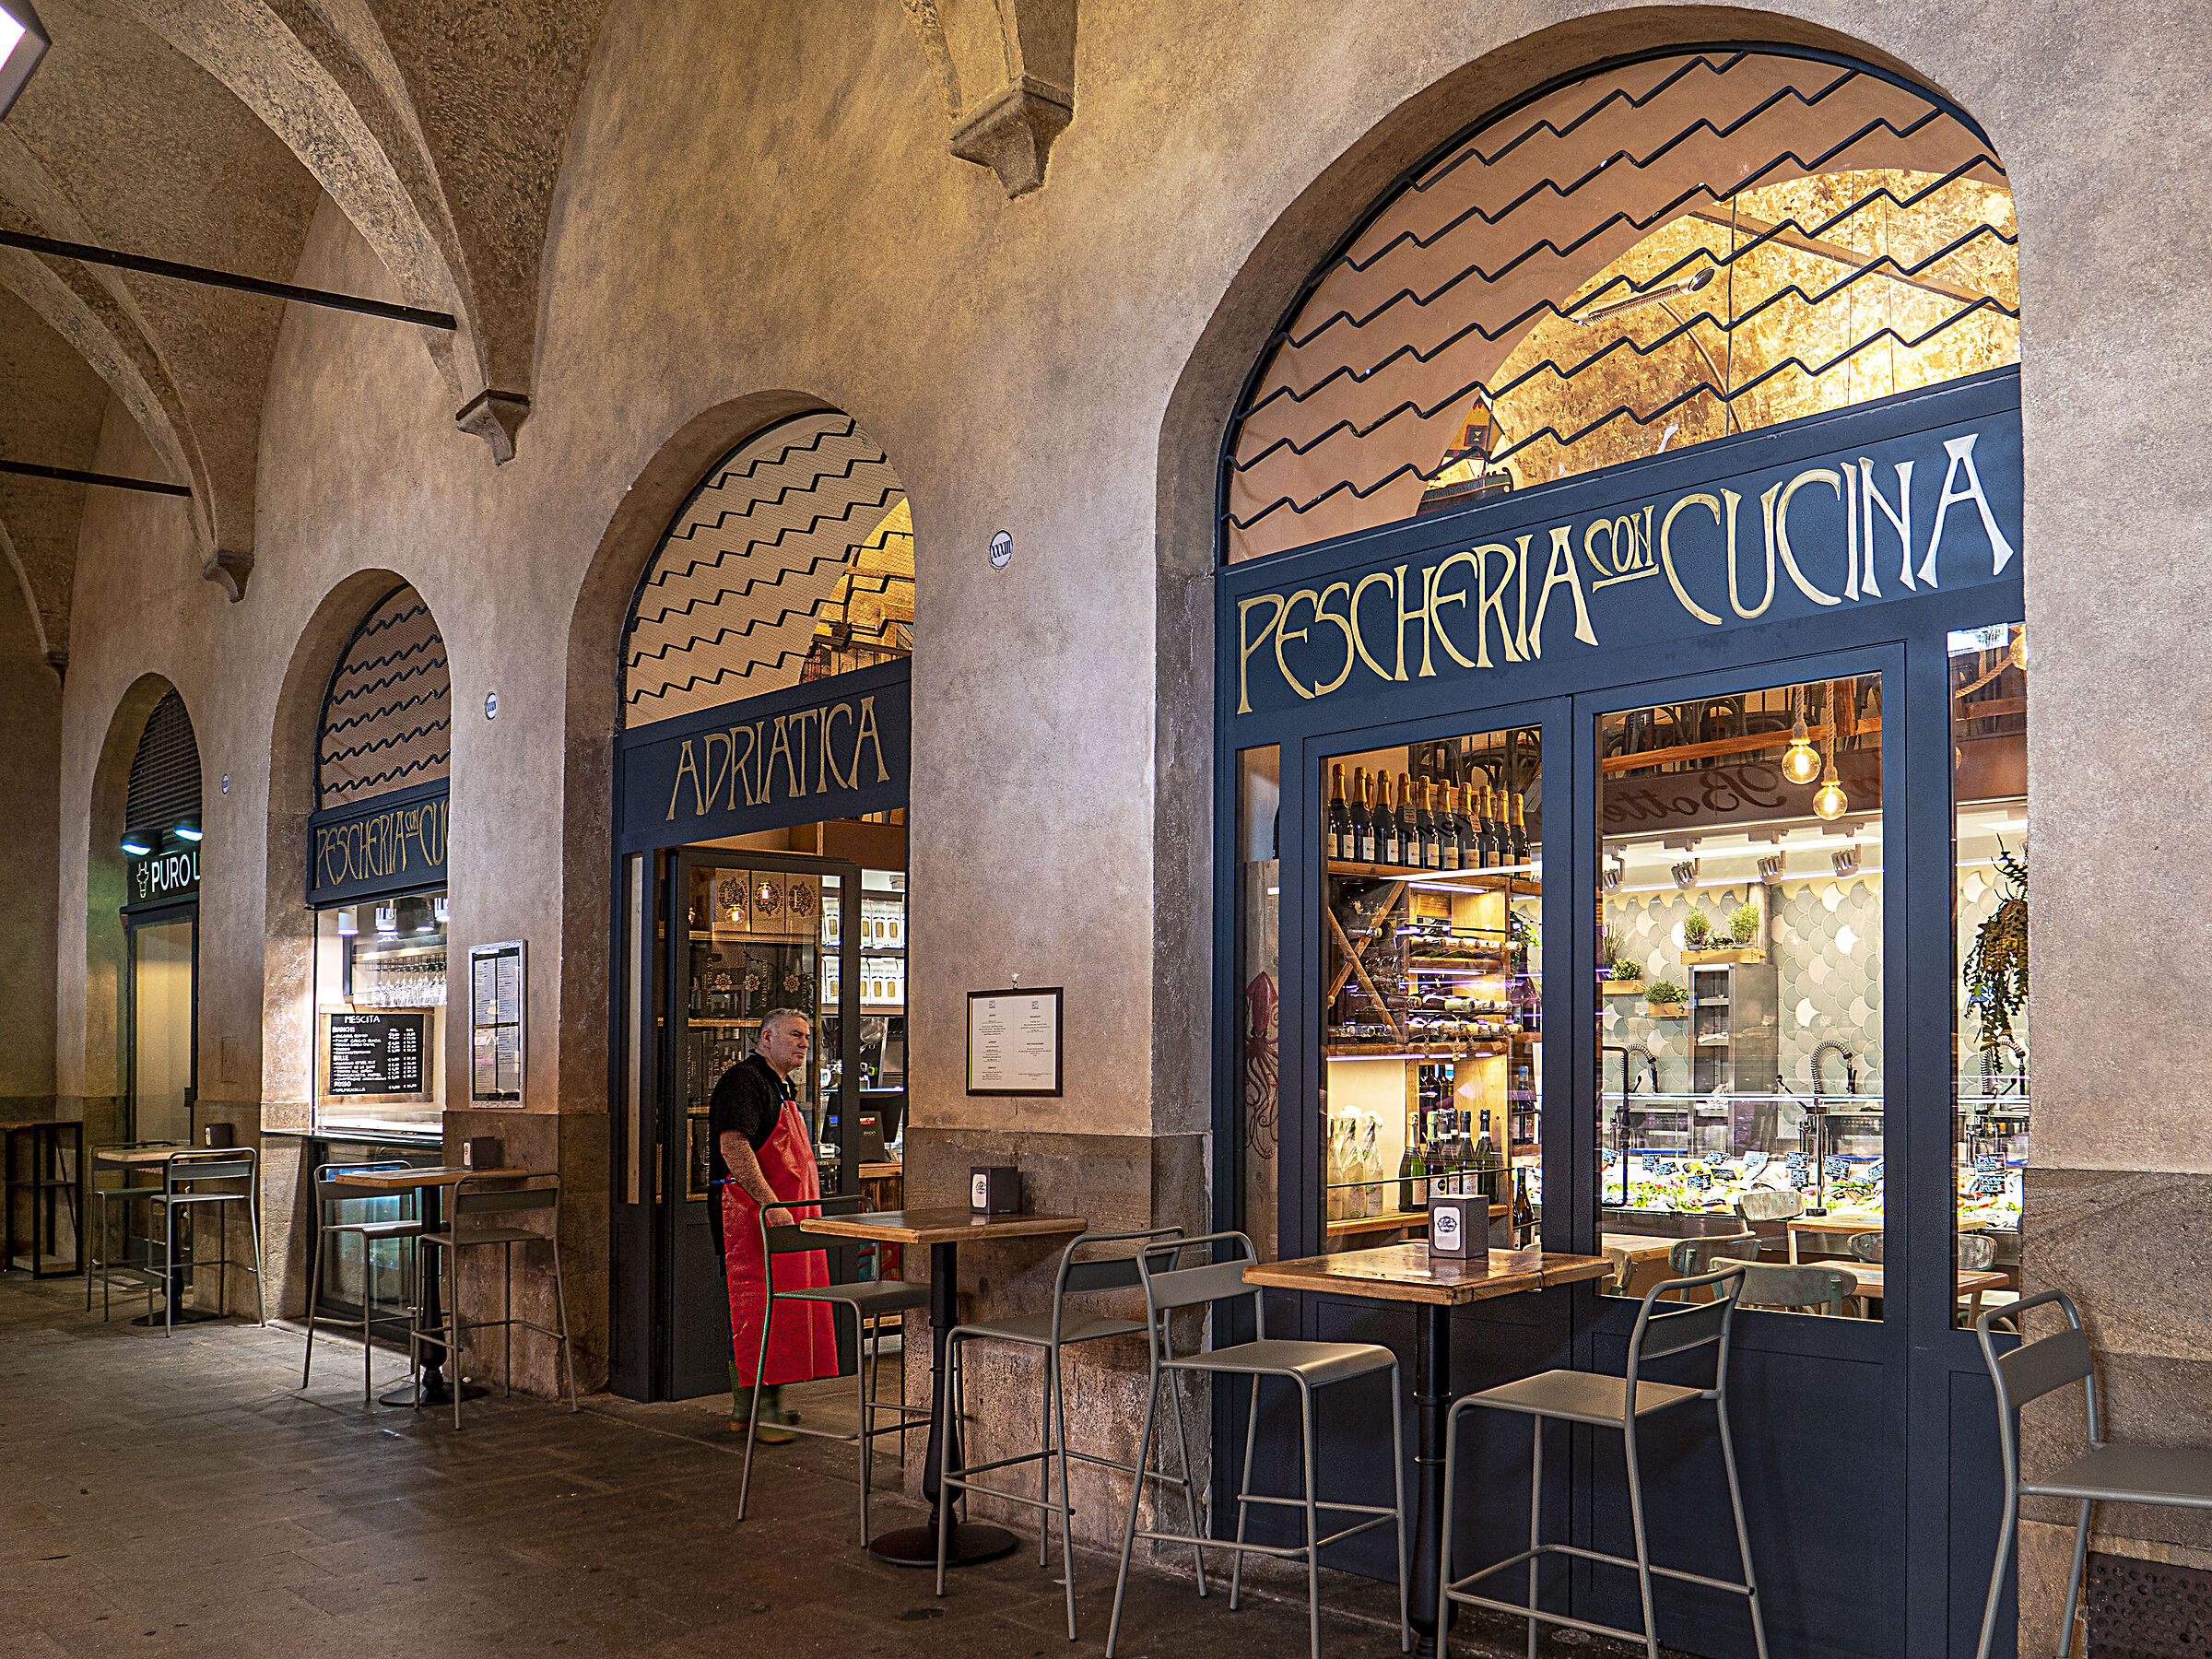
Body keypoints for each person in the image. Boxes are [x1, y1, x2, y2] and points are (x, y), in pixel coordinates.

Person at [709, 1006, 836, 1438]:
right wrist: (771, 1204)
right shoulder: (744, 1081)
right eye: (795, 1035)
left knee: (781, 1309)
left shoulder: (782, 1086)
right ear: (766, 1038)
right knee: (754, 1308)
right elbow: (733, 1146)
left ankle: (755, 1407)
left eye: (807, 1036)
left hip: (785, 1217)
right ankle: (758, 1408)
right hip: (750, 1217)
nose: (804, 1043)